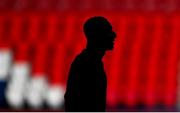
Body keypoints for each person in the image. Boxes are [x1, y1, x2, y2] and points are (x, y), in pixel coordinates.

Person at [64, 16, 116, 111]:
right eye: (108, 31)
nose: (114, 35)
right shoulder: (84, 64)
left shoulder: (92, 62)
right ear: (97, 36)